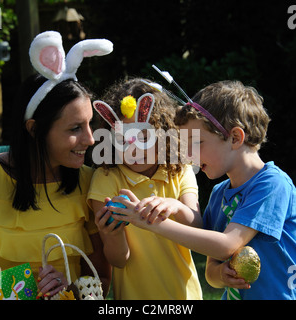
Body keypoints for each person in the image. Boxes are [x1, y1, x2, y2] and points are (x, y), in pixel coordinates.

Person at [110, 80, 296, 300]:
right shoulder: (219, 192)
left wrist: (149, 222)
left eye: (196, 142)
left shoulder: (272, 185)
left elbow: (226, 246)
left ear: (235, 138)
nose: (188, 155)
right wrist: (220, 274)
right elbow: (211, 270)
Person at [0, 31, 113, 298]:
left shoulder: (90, 181)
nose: (91, 139)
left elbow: (102, 280)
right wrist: (25, 289)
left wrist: (70, 289)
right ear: (34, 129)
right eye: (75, 128)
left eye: (89, 125)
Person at [88, 78, 203, 300]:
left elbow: (198, 227)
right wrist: (112, 233)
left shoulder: (179, 170)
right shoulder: (106, 179)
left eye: (144, 137)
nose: (133, 149)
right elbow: (118, 260)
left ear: (163, 133)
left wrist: (175, 206)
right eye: (123, 139)